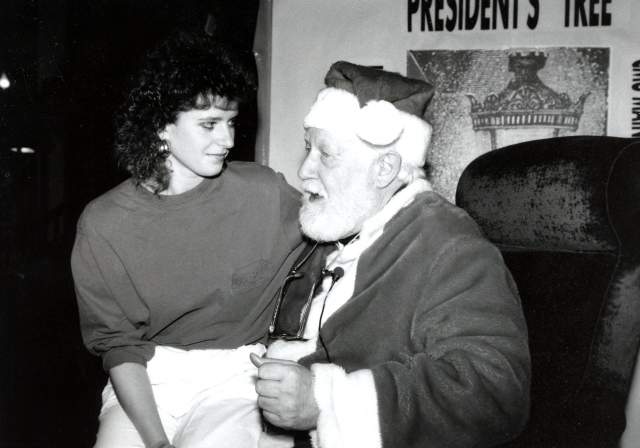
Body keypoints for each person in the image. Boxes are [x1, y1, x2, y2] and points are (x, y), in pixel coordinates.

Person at [251, 61, 531, 448]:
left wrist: (327, 402)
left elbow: (495, 391)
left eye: (325, 154)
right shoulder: (339, 229)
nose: (304, 170)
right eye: (307, 148)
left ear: (384, 168)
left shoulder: (448, 246)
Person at [71, 30, 305, 448]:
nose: (229, 140)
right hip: (148, 377)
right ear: (160, 126)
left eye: (231, 122)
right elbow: (119, 347)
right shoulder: (103, 223)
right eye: (209, 124)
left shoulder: (264, 192)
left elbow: (340, 237)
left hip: (237, 376)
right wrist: (157, 441)